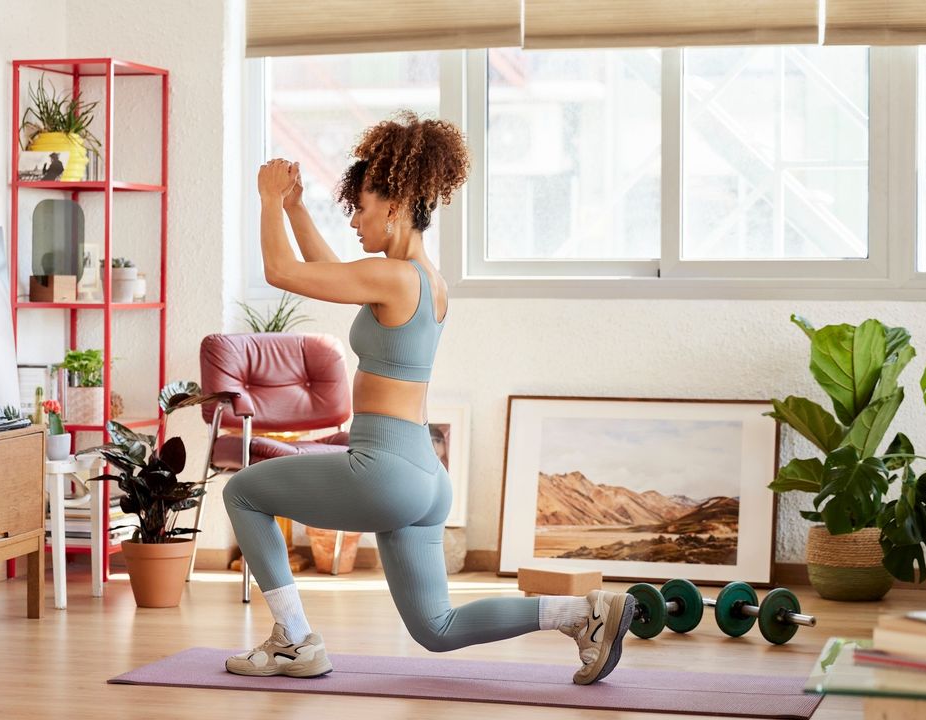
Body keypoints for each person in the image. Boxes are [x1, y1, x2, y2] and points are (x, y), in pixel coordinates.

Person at [223, 111, 635, 685]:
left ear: (394, 206)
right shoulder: (421, 278)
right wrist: (294, 207)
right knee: (435, 628)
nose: (355, 223)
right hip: (423, 473)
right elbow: (333, 271)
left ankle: (293, 640)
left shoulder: (395, 279)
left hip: (384, 469)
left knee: (244, 491)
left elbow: (280, 270)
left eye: (360, 209)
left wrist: (267, 198)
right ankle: (582, 615)